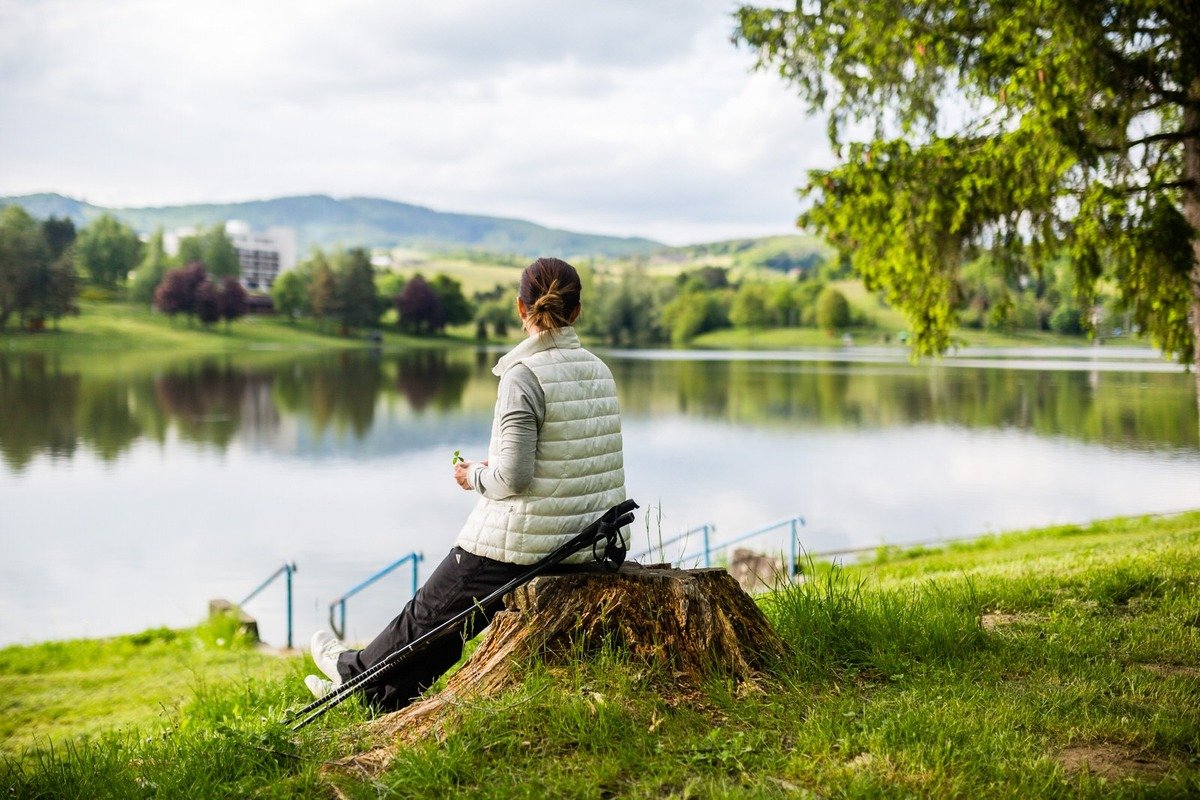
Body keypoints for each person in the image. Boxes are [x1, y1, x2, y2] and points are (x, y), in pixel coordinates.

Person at [305, 256, 627, 711]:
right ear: (576, 311)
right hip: (592, 539)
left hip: (534, 543)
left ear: (520, 308)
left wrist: (473, 475)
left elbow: (513, 477)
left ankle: (350, 672)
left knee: (432, 608)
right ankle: (377, 696)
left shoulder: (524, 376)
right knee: (450, 618)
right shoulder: (599, 370)